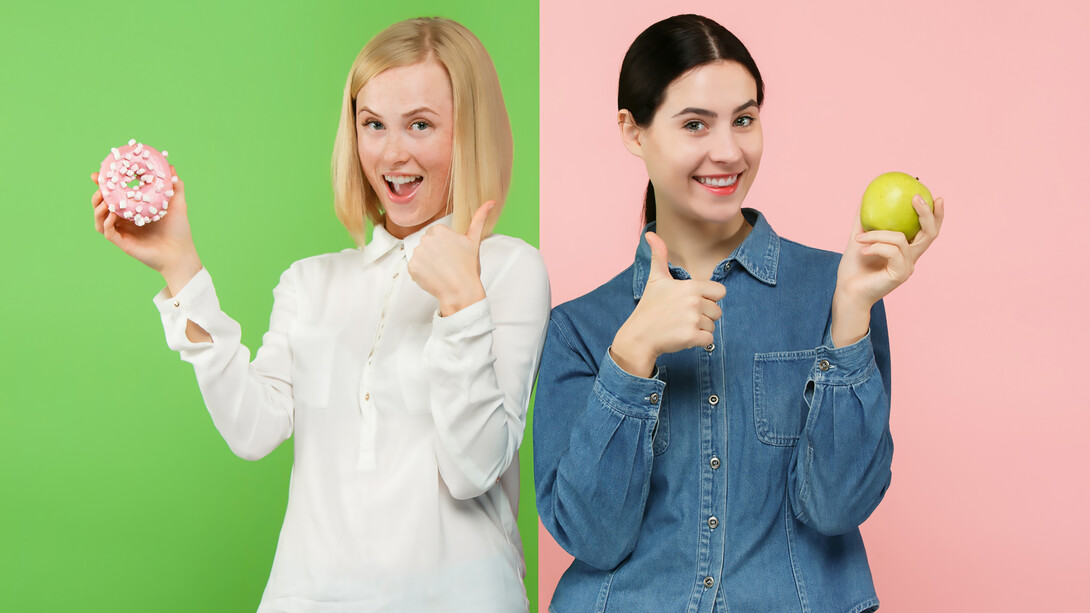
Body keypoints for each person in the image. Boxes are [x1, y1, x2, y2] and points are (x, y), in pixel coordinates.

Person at [90, 17, 549, 612]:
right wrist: (182, 271)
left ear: (469, 131)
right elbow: (254, 431)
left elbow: (472, 470)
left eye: (421, 124)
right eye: (373, 125)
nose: (392, 152)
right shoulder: (311, 281)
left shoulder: (510, 270)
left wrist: (462, 305)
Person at [534, 14, 943, 613]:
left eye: (744, 120)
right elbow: (594, 537)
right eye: (695, 124)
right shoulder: (579, 327)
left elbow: (837, 506)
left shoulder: (838, 288)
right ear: (632, 130)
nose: (728, 152)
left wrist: (852, 313)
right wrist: (628, 360)